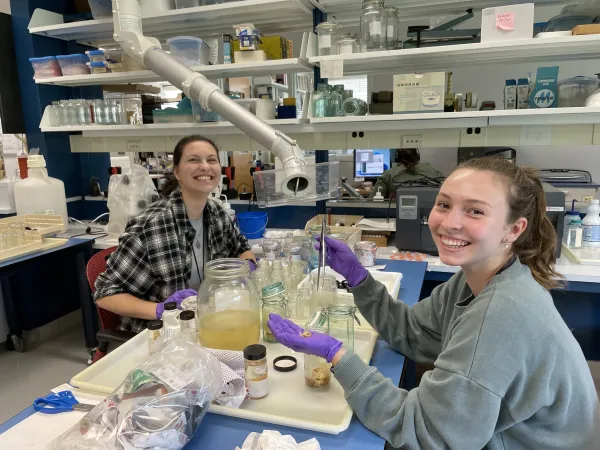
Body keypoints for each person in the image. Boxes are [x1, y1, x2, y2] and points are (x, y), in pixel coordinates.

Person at [269, 157, 600, 449]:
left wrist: (336, 355)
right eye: (444, 204)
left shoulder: (501, 312)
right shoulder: (475, 277)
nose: (450, 222)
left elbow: (429, 433)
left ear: (513, 229)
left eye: (475, 211)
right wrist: (359, 279)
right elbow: (414, 333)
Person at [95, 135, 256, 333]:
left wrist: (246, 268)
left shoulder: (217, 214)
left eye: (212, 160)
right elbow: (105, 293)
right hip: (160, 334)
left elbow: (242, 248)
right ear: (177, 172)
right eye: (193, 160)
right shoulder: (151, 226)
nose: (205, 167)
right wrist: (160, 310)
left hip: (205, 322)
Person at [370, 148, 444, 198]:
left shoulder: (389, 174)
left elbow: (372, 202)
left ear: (396, 157)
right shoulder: (432, 170)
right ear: (418, 156)